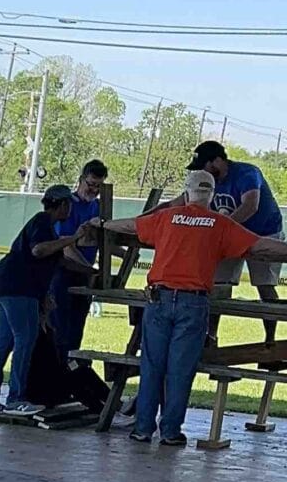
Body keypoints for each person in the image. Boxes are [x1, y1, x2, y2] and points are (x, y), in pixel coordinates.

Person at [89, 168, 287, 447]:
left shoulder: (165, 218)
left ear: (186, 193)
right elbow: (262, 247)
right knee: (180, 370)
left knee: (152, 366)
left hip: (158, 299)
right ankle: (170, 432)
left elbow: (132, 226)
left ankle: (143, 429)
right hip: (193, 303)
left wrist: (104, 224)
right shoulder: (220, 224)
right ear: (212, 195)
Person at [0, 186, 81, 422]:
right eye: (70, 205)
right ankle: (16, 398)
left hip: (6, 285)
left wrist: (91, 272)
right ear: (63, 205)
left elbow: (61, 262)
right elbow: (38, 250)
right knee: (25, 338)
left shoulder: (49, 230)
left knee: (4, 343)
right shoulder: (42, 222)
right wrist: (72, 239)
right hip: (18, 289)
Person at [192, 139, 282, 298]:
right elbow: (180, 202)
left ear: (218, 161)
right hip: (230, 236)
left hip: (264, 233)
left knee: (265, 286)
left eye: (204, 167)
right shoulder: (208, 181)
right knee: (219, 285)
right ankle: (211, 324)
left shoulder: (247, 173)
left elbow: (250, 206)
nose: (202, 173)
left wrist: (220, 228)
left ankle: (270, 321)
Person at [50, 159, 112, 355]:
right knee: (58, 330)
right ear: (81, 180)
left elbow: (104, 240)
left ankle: (70, 372)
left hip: (84, 276)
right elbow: (66, 246)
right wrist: (90, 269)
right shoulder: (68, 205)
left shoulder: (99, 207)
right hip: (63, 273)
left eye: (98, 186)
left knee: (76, 330)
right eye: (91, 184)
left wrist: (124, 252)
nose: (93, 189)